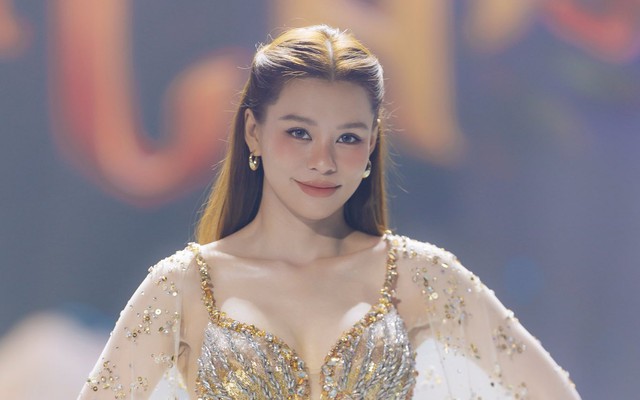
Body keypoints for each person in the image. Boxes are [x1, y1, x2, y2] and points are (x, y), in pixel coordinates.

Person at [78, 25, 581, 399]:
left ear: (372, 146)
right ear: (253, 132)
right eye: (299, 133)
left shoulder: (421, 274)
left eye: (348, 138)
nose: (323, 161)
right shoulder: (182, 285)